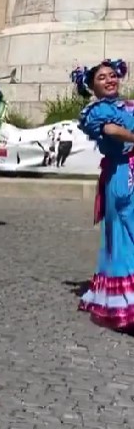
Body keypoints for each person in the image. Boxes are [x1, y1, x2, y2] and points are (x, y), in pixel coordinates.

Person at [73, 59, 134, 330]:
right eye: (102, 78)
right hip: (122, 176)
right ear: (91, 86)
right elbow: (110, 130)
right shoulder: (96, 111)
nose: (110, 80)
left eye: (112, 75)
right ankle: (125, 303)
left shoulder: (126, 105)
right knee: (125, 236)